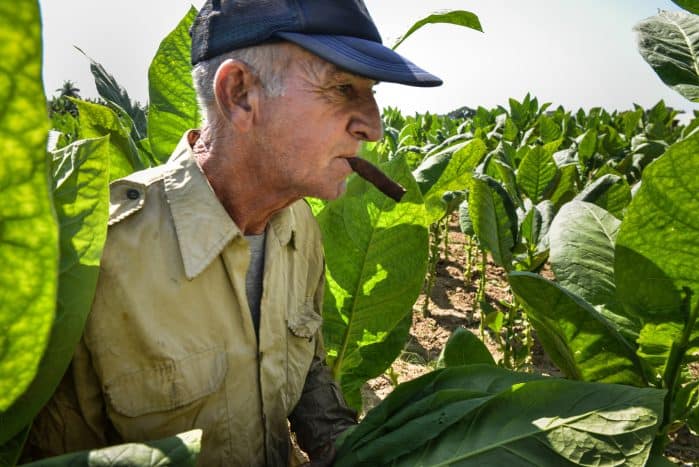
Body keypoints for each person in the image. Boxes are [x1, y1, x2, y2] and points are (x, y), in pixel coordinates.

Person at [26, 1, 441, 465]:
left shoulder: (299, 226)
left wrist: (337, 443)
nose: (375, 127)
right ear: (240, 94)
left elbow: (305, 365)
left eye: (371, 92)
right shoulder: (97, 258)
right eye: (342, 88)